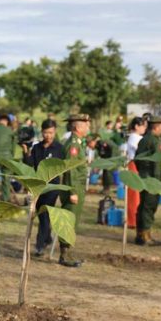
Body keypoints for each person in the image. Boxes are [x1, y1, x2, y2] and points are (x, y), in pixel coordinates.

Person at [25, 119, 64, 256]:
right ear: (42, 132)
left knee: (44, 212)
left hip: (53, 186)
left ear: (55, 132)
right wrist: (26, 152)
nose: (48, 135)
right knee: (42, 214)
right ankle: (47, 238)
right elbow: (30, 164)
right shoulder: (37, 147)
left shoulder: (59, 148)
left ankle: (40, 244)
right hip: (39, 186)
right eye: (46, 132)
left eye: (51, 132)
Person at [58, 114, 90, 267]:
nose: (88, 128)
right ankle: (64, 255)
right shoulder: (73, 145)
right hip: (73, 188)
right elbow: (70, 170)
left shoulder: (78, 142)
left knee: (73, 221)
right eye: (86, 125)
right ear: (78, 127)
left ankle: (67, 251)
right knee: (69, 222)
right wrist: (72, 192)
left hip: (77, 187)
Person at [133, 117, 161, 246]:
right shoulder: (154, 141)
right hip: (152, 179)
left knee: (143, 206)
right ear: (156, 127)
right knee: (149, 206)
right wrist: (158, 182)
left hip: (144, 176)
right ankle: (145, 236)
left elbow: (137, 159)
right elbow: (157, 162)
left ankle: (140, 234)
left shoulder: (144, 139)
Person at [125, 117, 147, 228]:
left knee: (137, 194)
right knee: (134, 194)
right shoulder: (134, 137)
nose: (145, 128)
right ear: (136, 126)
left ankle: (135, 219)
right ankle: (132, 220)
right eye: (143, 126)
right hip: (134, 164)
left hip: (138, 165)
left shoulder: (138, 137)